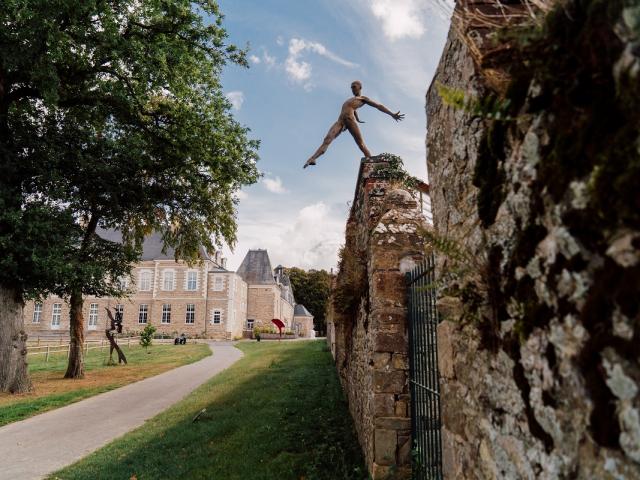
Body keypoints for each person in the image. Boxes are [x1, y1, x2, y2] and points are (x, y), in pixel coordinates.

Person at [303, 80, 404, 168]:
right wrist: (358, 118)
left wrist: (392, 114)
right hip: (340, 121)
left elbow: (378, 106)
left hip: (350, 120)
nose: (352, 89)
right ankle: (313, 158)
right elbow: (353, 109)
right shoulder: (350, 100)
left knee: (360, 144)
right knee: (327, 139)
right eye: (351, 88)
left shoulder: (363, 98)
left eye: (354, 87)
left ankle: (372, 162)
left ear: (360, 87)